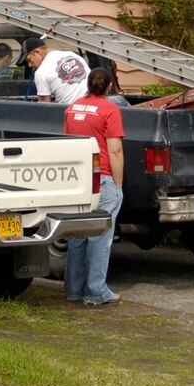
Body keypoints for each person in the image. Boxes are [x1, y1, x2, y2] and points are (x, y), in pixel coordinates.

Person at [62, 87, 125, 305]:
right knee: (100, 236)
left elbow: (68, 142)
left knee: (78, 233)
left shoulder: (73, 108)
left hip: (80, 177)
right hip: (103, 177)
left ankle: (73, 289)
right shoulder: (110, 110)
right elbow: (115, 150)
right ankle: (96, 291)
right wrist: (118, 184)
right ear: (108, 87)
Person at [22, 36, 89, 103]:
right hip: (94, 106)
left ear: (37, 52)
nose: (30, 65)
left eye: (29, 60)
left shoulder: (41, 72)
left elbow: (44, 107)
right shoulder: (73, 55)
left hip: (72, 110)